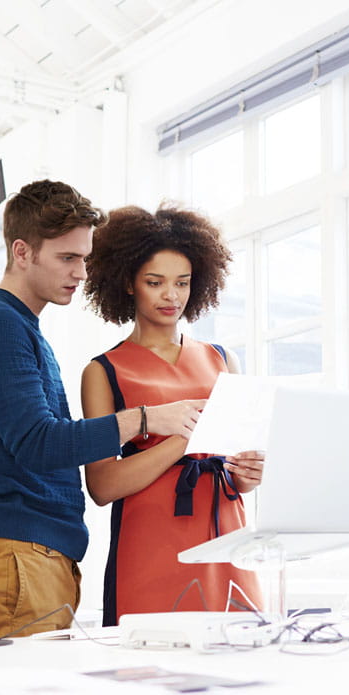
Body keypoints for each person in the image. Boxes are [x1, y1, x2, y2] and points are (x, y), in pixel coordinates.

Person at [0, 180, 205, 639]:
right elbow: (38, 443)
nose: (81, 273)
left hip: (32, 558)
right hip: (15, 558)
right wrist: (146, 419)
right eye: (68, 258)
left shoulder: (20, 327)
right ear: (22, 252)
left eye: (84, 258)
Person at [80, 204, 265, 625]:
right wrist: (187, 439)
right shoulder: (103, 371)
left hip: (227, 534)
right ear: (128, 283)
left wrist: (247, 475)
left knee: (239, 659)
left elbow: (236, 467)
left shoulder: (223, 358)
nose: (172, 296)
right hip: (151, 543)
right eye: (155, 282)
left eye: (182, 283)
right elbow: (103, 485)